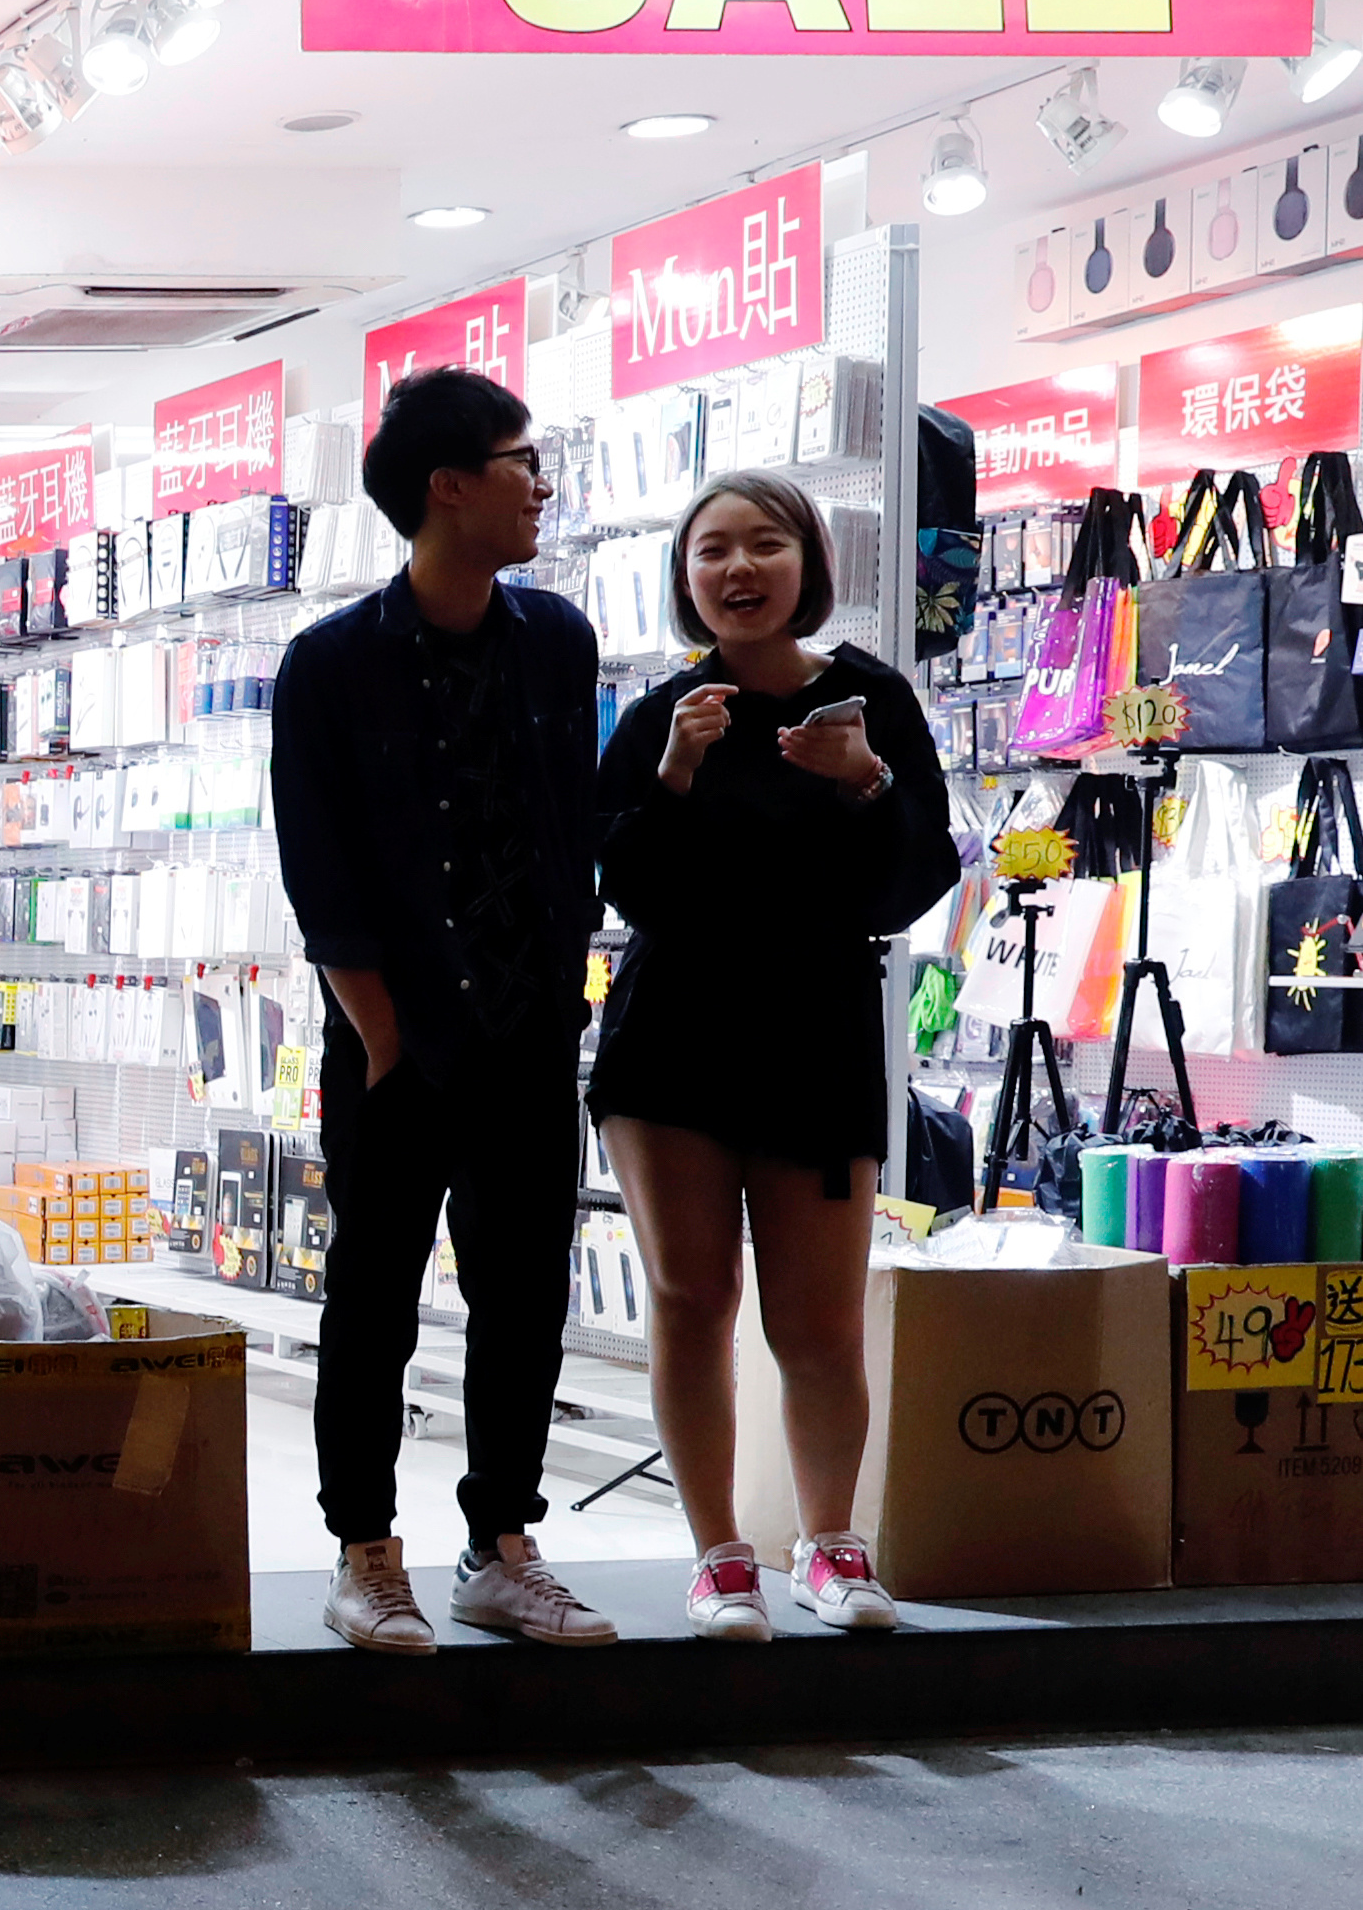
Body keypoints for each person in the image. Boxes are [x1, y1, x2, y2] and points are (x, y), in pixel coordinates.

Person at [268, 367, 617, 1653]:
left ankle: (500, 1543)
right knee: (372, 1295)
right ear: (446, 486)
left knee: (523, 1295)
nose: (539, 486)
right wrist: (379, 1034)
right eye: (521, 461)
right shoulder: (329, 664)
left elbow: (568, 831)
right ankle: (365, 1551)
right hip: (395, 1044)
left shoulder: (558, 638)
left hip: (530, 1037)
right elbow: (322, 868)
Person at [588, 475, 964, 1639]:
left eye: (763, 544)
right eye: (710, 550)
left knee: (817, 1321)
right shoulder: (661, 712)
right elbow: (622, 885)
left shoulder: (868, 699)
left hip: (814, 1034)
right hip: (672, 1040)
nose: (736, 568)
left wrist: (864, 780)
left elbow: (909, 885)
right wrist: (671, 777)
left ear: (806, 563)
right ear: (683, 575)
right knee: (691, 1297)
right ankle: (716, 1558)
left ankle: (831, 1545)